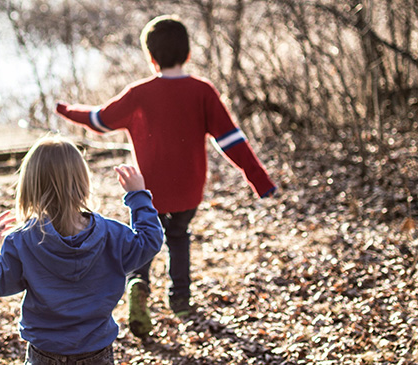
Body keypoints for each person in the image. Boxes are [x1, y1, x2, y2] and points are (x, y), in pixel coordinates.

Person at [55, 14, 276, 338]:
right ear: (187, 54)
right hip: (188, 191)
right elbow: (231, 140)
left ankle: (138, 284)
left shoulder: (139, 93)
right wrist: (260, 179)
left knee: (144, 239)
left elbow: (99, 120)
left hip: (148, 191)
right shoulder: (202, 91)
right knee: (178, 238)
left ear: (151, 57)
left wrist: (67, 109)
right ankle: (181, 300)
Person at [0, 135, 164, 364]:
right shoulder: (111, 234)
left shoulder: (21, 240)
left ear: (30, 185)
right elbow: (150, 240)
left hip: (44, 352)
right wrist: (137, 196)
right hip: (96, 350)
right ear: (82, 182)